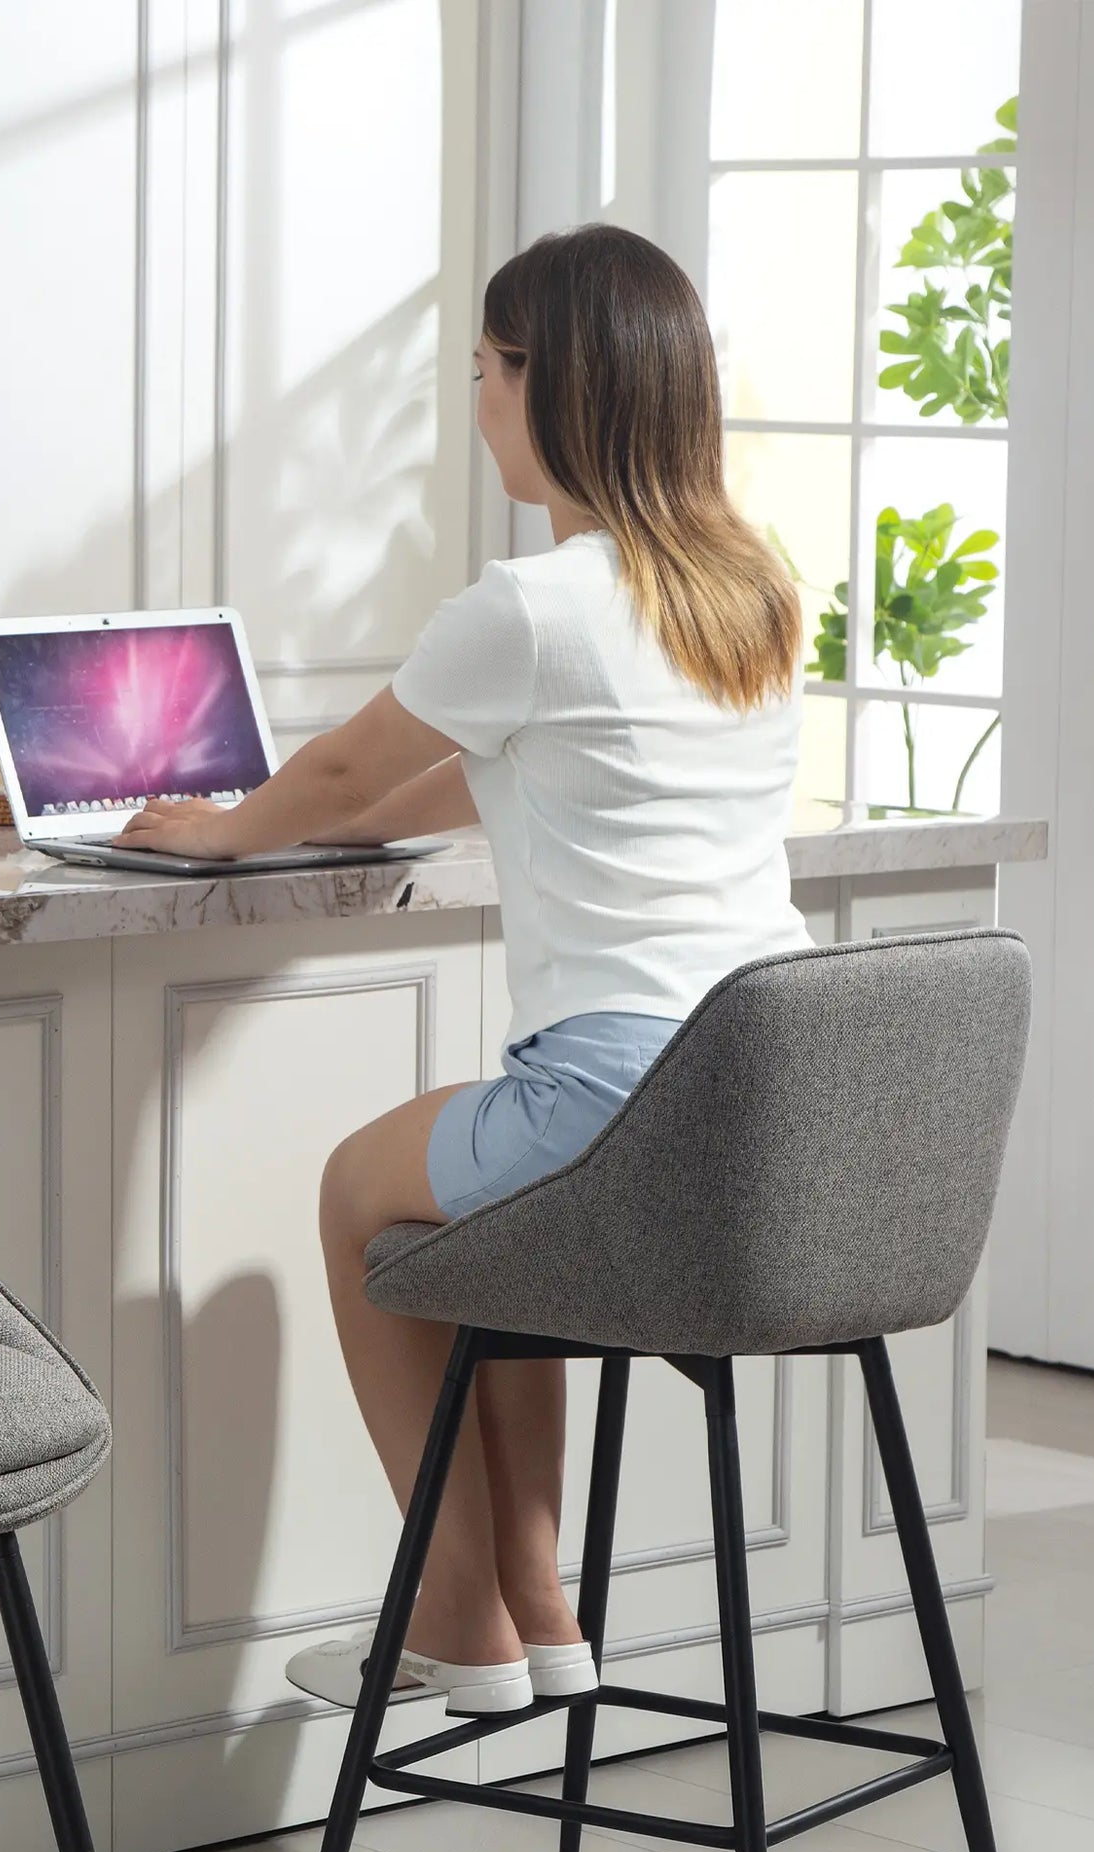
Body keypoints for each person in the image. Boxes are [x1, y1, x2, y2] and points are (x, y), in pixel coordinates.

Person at [116, 223, 815, 1716]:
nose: (475, 400)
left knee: (360, 1190)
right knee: (493, 1232)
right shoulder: (742, 586)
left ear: (552, 386)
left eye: (489, 370)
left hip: (618, 1098)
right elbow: (487, 767)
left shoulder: (533, 605)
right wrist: (336, 815)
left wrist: (221, 831)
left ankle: (453, 1619)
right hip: (762, 1103)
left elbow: (346, 761)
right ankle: (542, 1611)